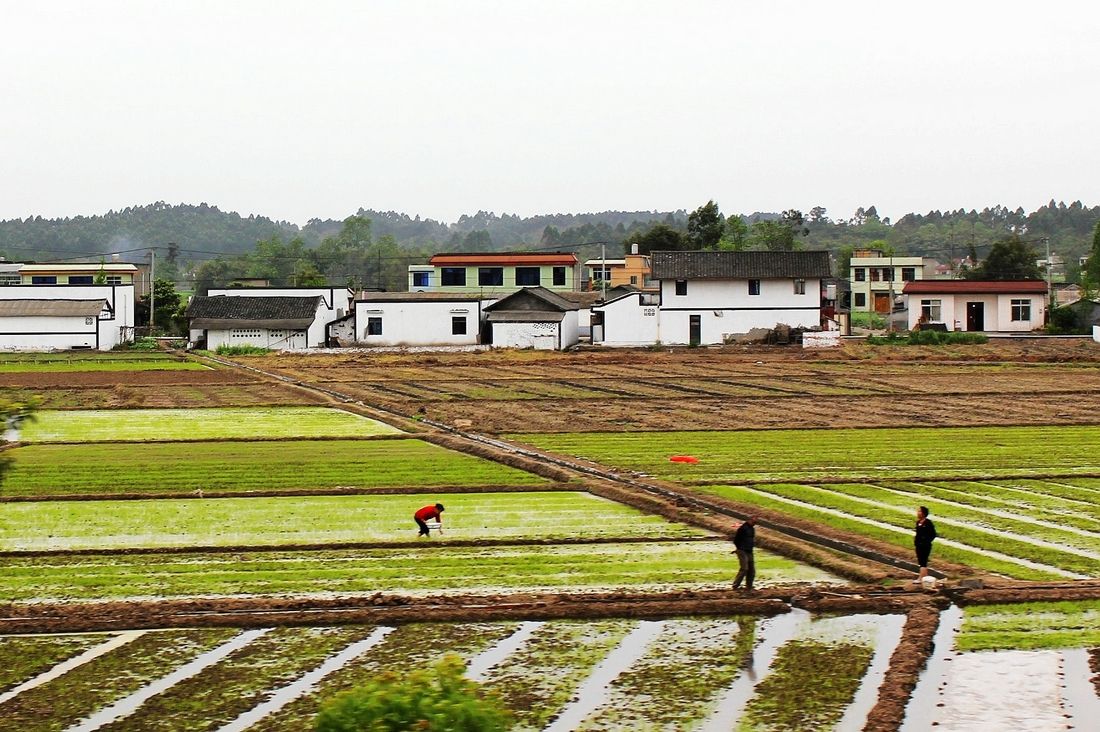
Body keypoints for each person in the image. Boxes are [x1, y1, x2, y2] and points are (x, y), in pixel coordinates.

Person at [732, 516, 757, 591]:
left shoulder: (752, 529)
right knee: (744, 568)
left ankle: (749, 587)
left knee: (751, 570)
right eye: (753, 521)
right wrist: (739, 548)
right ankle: (735, 585)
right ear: (749, 520)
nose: (755, 523)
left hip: (749, 550)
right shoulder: (742, 529)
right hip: (742, 550)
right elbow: (736, 540)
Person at [914, 505, 937, 582]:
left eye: (919, 511)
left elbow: (933, 534)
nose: (918, 513)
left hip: (925, 545)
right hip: (918, 545)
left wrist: (926, 541)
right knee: (921, 561)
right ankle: (925, 577)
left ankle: (921, 578)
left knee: (923, 561)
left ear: (923, 513)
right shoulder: (918, 522)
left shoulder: (928, 523)